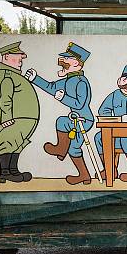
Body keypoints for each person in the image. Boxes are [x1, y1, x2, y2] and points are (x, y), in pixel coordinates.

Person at [26, 42, 95, 185]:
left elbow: (80, 104)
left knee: (62, 122)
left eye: (67, 59)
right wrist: (35, 78)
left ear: (76, 63)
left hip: (84, 120)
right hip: (75, 119)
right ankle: (84, 175)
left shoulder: (81, 82)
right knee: (74, 147)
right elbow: (51, 87)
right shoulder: (67, 80)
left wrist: (63, 98)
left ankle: (60, 149)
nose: (62, 61)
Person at [0, 41, 39, 183]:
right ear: (6, 57)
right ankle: (5, 172)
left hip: (23, 118)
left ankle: (13, 170)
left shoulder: (13, 74)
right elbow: (4, 97)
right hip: (14, 119)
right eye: (17, 57)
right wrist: (6, 117)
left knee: (17, 143)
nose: (20, 61)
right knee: (8, 141)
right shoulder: (7, 75)